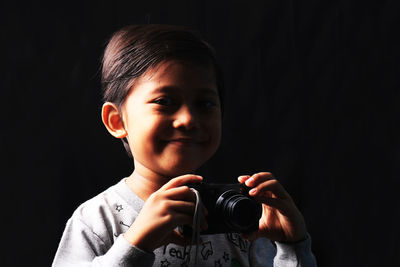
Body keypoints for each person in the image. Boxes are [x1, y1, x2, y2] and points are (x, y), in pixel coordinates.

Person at [52, 24, 317, 267]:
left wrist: (292, 247)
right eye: (165, 102)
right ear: (117, 120)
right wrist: (135, 244)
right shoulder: (97, 219)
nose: (189, 119)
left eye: (205, 104)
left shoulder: (237, 217)